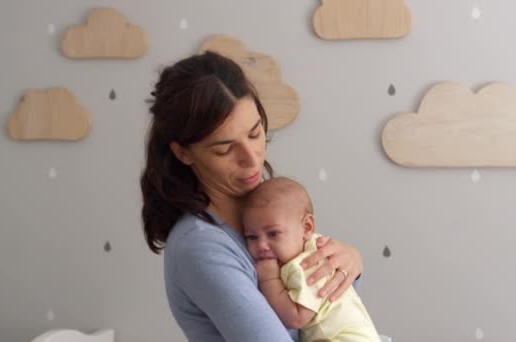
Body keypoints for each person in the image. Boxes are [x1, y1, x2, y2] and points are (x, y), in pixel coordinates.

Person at [140, 50, 363, 341]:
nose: (251, 159)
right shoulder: (201, 246)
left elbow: (323, 310)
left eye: (255, 134)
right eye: (224, 149)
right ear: (183, 152)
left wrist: (350, 264)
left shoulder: (265, 209)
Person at [243, 177, 380, 342]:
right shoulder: (312, 246)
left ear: (307, 227)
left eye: (273, 234)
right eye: (251, 237)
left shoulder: (306, 264)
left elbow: (297, 318)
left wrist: (269, 279)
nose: (261, 245)